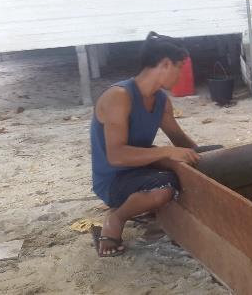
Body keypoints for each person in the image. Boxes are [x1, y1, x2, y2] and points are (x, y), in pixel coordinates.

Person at [90, 32, 219, 256]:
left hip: (143, 168)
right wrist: (169, 152)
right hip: (114, 179)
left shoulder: (160, 100)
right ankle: (116, 218)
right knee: (164, 188)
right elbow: (116, 156)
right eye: (180, 67)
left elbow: (179, 140)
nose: (181, 74)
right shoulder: (119, 97)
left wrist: (202, 160)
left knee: (217, 154)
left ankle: (152, 206)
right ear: (166, 64)